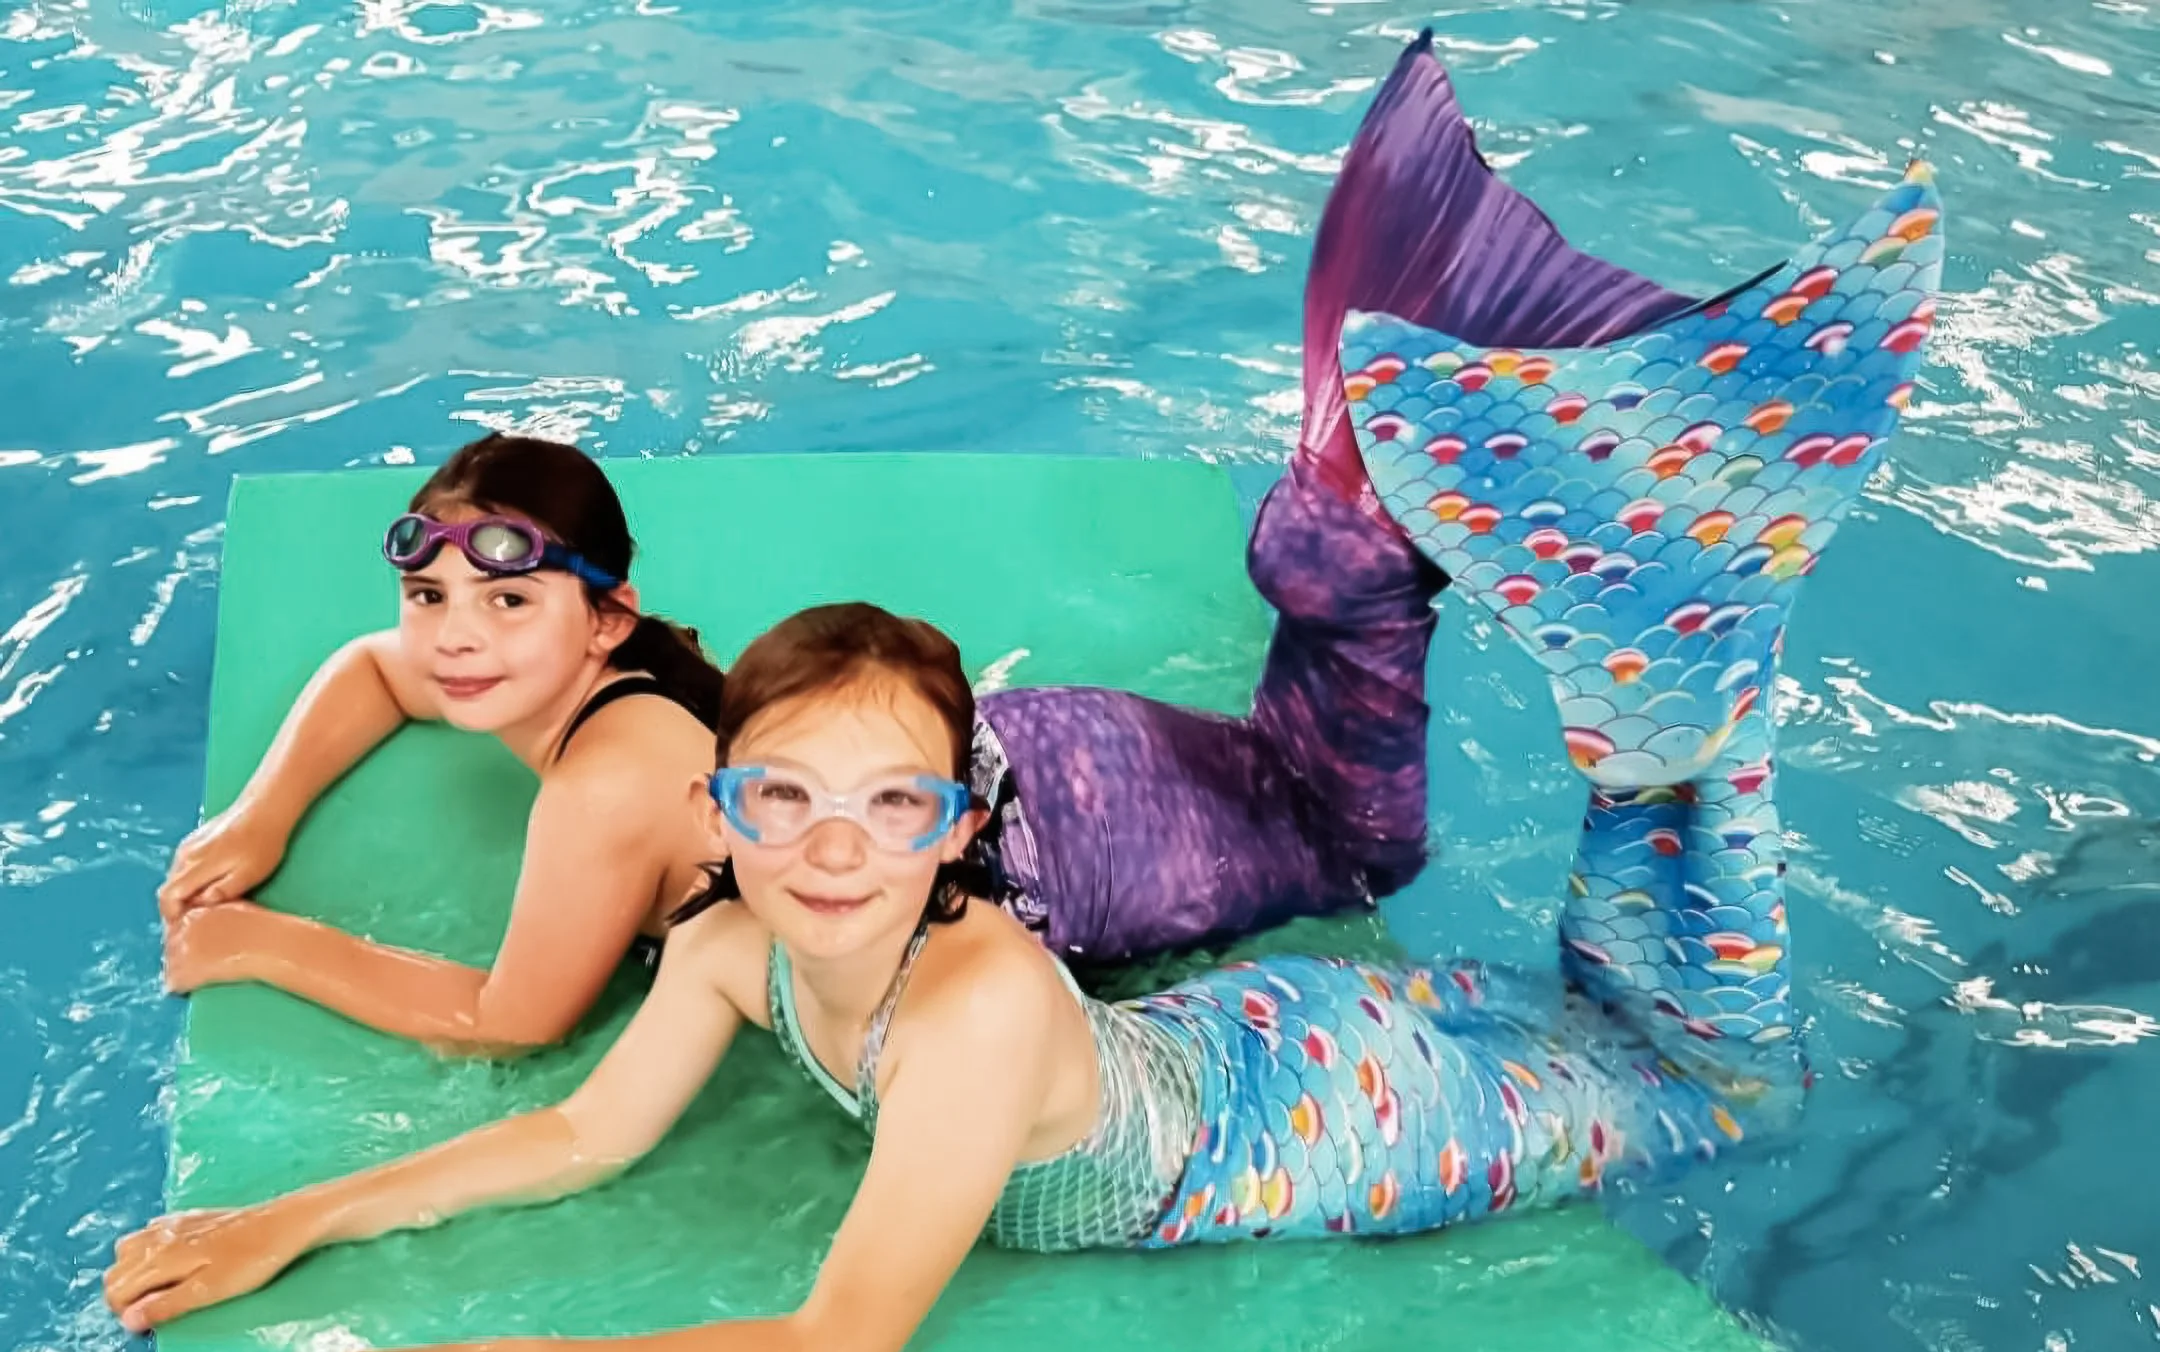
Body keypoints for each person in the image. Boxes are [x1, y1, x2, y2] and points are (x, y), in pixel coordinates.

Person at [156, 32, 1703, 1053]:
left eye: (495, 604)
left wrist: (265, 942)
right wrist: (265, 806)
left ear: (606, 621)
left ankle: (1367, 525)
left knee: (1350, 844)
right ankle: (1350, 491)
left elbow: (514, 1016)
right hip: (1017, 748)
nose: (451, 640)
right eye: (430, 597)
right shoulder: (561, 670)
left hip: (1060, 844)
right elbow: (373, 670)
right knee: (1288, 767)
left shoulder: (606, 783)